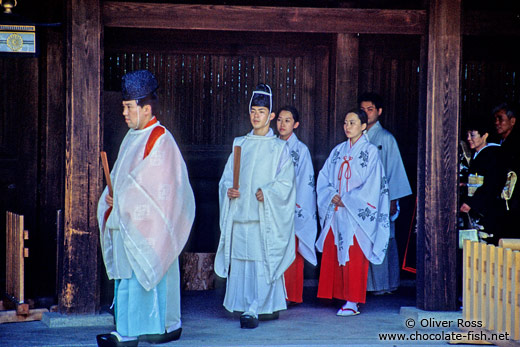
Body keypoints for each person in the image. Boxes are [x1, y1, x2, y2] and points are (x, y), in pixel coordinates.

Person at [96, 70, 196, 347]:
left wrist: (124, 198)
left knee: (147, 272)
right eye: (124, 107)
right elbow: (120, 178)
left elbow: (162, 187)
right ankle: (128, 329)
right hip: (128, 220)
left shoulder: (160, 138)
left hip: (151, 227)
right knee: (128, 276)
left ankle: (161, 326)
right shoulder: (132, 137)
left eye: (129, 107)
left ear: (146, 108)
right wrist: (111, 197)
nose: (125, 113)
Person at [214, 84, 296, 329]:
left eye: (262, 111)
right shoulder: (240, 143)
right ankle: (243, 305)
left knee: (262, 262)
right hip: (240, 215)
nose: (256, 115)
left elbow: (286, 183)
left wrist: (268, 193)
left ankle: (261, 307)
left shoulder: (279, 148)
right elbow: (227, 177)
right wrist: (228, 189)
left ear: (271, 116)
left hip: (264, 218)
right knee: (242, 260)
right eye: (253, 111)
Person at [315, 109, 390, 317]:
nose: (348, 127)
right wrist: (331, 194)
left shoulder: (371, 152)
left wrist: (348, 199)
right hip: (338, 212)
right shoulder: (338, 151)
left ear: (364, 126)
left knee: (355, 254)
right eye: (346, 122)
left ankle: (353, 301)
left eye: (353, 122)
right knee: (336, 250)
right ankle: (341, 295)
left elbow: (373, 186)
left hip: (356, 213)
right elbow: (324, 177)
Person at [358, 92, 412, 295]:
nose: (366, 113)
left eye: (370, 109)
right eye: (362, 110)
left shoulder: (386, 138)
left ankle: (385, 284)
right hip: (361, 199)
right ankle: (364, 285)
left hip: (381, 198)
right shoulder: (356, 136)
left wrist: (392, 200)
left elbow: (394, 170)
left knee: (384, 238)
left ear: (379, 112)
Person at [276, 106, 318, 304]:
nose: (282, 124)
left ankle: (290, 295)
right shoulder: (270, 145)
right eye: (280, 120)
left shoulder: (301, 150)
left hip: (291, 208)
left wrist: (293, 207)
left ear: (296, 124)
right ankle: (273, 295)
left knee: (292, 250)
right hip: (271, 207)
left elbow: (305, 183)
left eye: (287, 120)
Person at [460, 117, 506, 245]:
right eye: (467, 134)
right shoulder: (478, 154)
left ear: (485, 135)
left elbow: (492, 184)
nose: (469, 138)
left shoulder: (493, 154)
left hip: (486, 210)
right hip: (476, 208)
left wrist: (471, 203)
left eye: (473, 135)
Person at [492, 102, 519, 238]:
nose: (496, 122)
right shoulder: (501, 143)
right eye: (495, 119)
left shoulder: (515, 144)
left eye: (500, 119)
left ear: (512, 121)